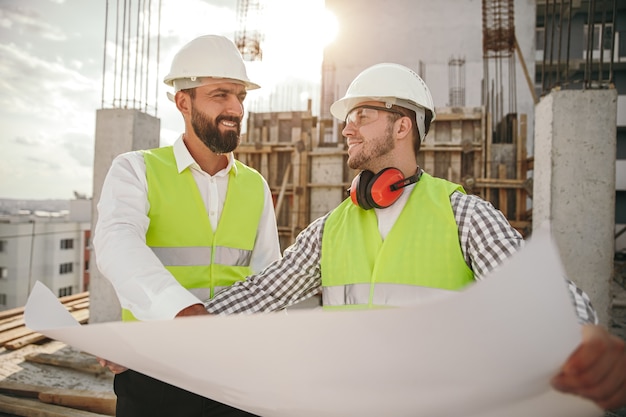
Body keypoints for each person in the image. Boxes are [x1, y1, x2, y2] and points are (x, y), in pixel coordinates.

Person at [205, 63, 626, 411]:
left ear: (402, 126)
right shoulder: (331, 228)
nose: (347, 130)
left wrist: (581, 334)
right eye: (346, 121)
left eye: (361, 117)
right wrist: (162, 332)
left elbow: (543, 293)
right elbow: (258, 295)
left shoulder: (462, 215)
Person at [93, 34, 281, 417]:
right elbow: (117, 244)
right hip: (155, 374)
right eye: (221, 95)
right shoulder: (137, 169)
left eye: (241, 97)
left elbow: (267, 279)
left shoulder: (256, 186)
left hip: (234, 376)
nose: (236, 109)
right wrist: (181, 312)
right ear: (184, 101)